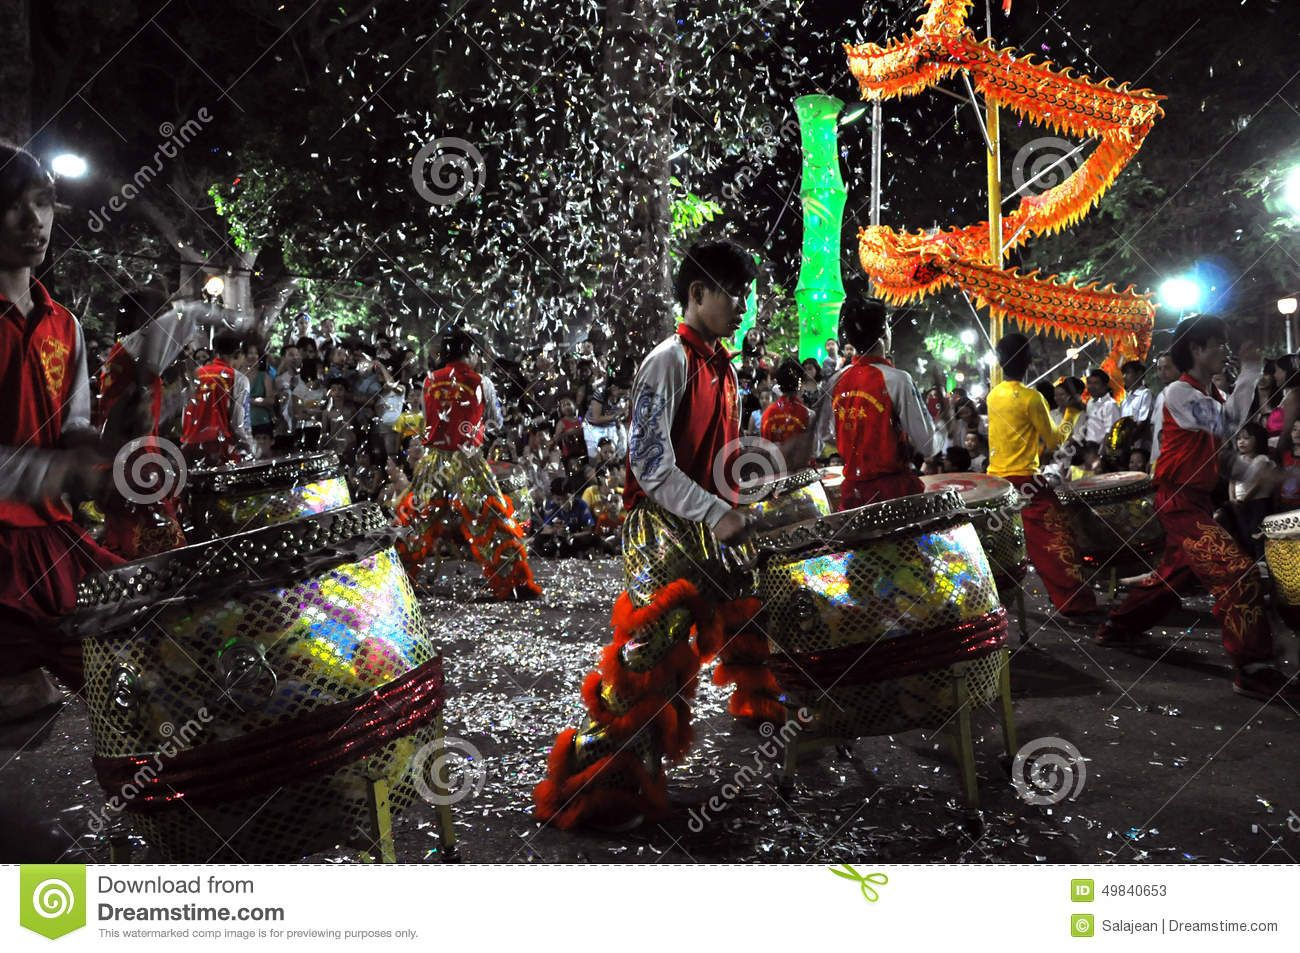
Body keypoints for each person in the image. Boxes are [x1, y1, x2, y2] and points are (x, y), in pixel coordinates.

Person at [534, 239, 774, 831]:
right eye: (733, 293)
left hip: (707, 523)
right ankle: (595, 789)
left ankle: (774, 714)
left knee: (757, 606)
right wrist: (716, 512)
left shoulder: (725, 367)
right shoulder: (665, 361)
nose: (743, 306)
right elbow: (648, 462)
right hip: (662, 532)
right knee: (646, 662)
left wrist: (747, 497)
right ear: (697, 295)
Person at [1095, 317, 1296, 703]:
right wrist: (1252, 370)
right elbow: (1228, 426)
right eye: (1217, 345)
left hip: (1198, 501)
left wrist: (1256, 473)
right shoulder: (1177, 393)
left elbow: (1222, 456)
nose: (1225, 351)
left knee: (1173, 576)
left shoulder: (1209, 396)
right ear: (1196, 350)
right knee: (1237, 575)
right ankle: (1253, 669)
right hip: (1179, 502)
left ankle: (1118, 627)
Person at [0, 143, 125, 713]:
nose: (35, 221)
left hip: (52, 545)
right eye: (14, 206)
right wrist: (57, 470)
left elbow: (72, 424)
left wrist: (103, 456)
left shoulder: (64, 324)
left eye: (44, 203)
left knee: (132, 682)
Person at [394, 327, 541, 601]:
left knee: (416, 520)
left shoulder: (429, 381)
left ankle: (396, 579)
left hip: (434, 461)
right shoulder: (481, 382)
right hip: (469, 460)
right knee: (492, 518)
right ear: (471, 352)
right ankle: (512, 582)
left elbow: (427, 423)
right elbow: (496, 420)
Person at [987, 333, 1098, 619]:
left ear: (1000, 362)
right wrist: (1072, 414)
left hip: (995, 483)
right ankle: (1075, 602)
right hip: (1025, 483)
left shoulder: (993, 396)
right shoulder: (1031, 398)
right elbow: (1055, 442)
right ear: (1028, 361)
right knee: (1057, 541)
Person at [807, 297, 942, 510]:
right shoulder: (898, 379)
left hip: (853, 495)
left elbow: (824, 434)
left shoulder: (835, 381)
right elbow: (928, 444)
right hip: (894, 496)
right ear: (884, 333)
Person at [181, 330, 254, 464]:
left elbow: (186, 411)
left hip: (191, 446)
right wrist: (248, 446)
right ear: (238, 354)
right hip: (221, 448)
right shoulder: (239, 379)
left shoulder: (197, 374)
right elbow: (238, 423)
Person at [1226, 422, 1274, 559]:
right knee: (1244, 533)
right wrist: (1232, 499)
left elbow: (1258, 483)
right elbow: (1232, 481)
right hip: (1239, 504)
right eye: (1239, 439)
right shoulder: (1237, 460)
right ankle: (1250, 565)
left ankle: (1262, 566)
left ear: (1257, 439)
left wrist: (1244, 499)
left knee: (1257, 534)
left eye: (1246, 438)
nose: (1241, 442)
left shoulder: (1262, 460)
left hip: (1257, 503)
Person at [761, 358, 812, 458]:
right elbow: (813, 450)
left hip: (773, 468)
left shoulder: (768, 413)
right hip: (799, 470)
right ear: (799, 384)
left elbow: (765, 447)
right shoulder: (807, 414)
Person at [1079, 369, 1121, 450]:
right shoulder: (1091, 402)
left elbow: (1110, 432)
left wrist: (1100, 454)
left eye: (1096, 383)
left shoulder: (1110, 405)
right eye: (1089, 383)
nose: (1091, 387)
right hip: (1088, 448)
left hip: (1100, 450)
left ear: (1105, 386)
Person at [1119, 360, 1153, 432]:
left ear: (1139, 374)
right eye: (1123, 373)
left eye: (1127, 373)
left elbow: (1142, 421)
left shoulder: (1145, 394)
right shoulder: (1125, 400)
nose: (1124, 377)